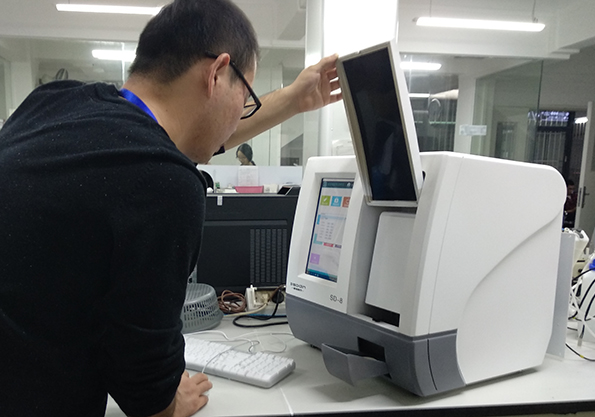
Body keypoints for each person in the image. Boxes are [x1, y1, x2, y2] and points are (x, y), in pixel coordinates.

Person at [0, 0, 341, 416]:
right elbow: (147, 394)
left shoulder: (54, 102)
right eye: (246, 97)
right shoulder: (164, 183)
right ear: (217, 73)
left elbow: (189, 137)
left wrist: (291, 100)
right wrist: (169, 402)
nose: (240, 116)